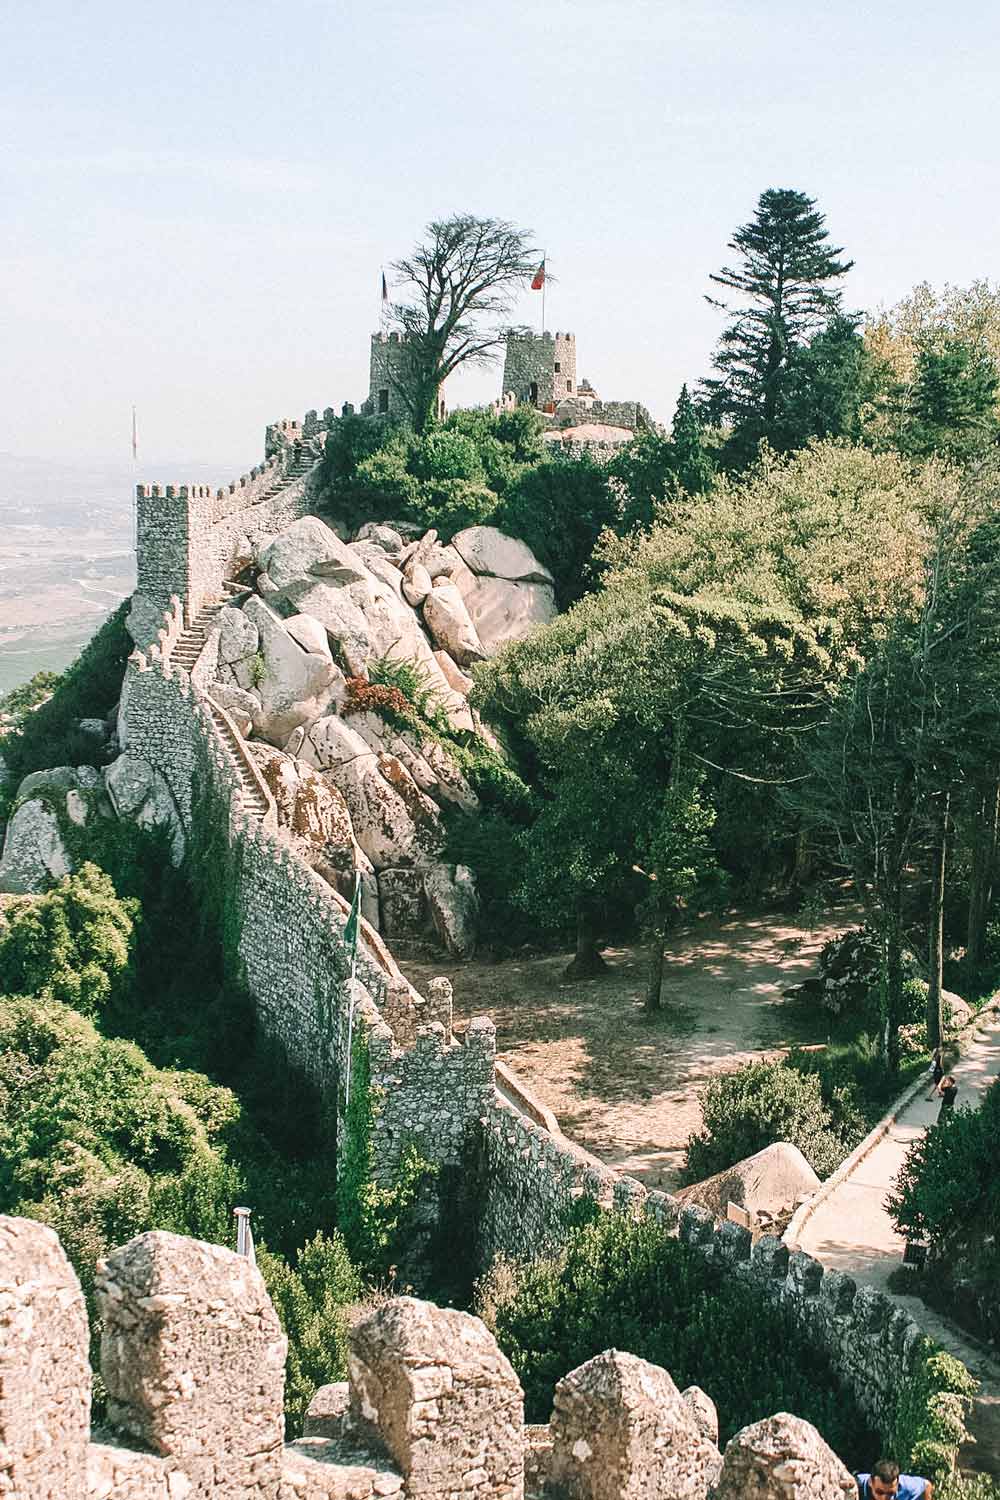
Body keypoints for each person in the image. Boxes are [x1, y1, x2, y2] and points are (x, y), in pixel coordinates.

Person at [855, 1457, 933, 1498]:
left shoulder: (906, 1485)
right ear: (870, 1482)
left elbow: (926, 1485)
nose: (884, 1498)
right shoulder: (857, 1486)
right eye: (880, 1492)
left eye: (890, 1493)